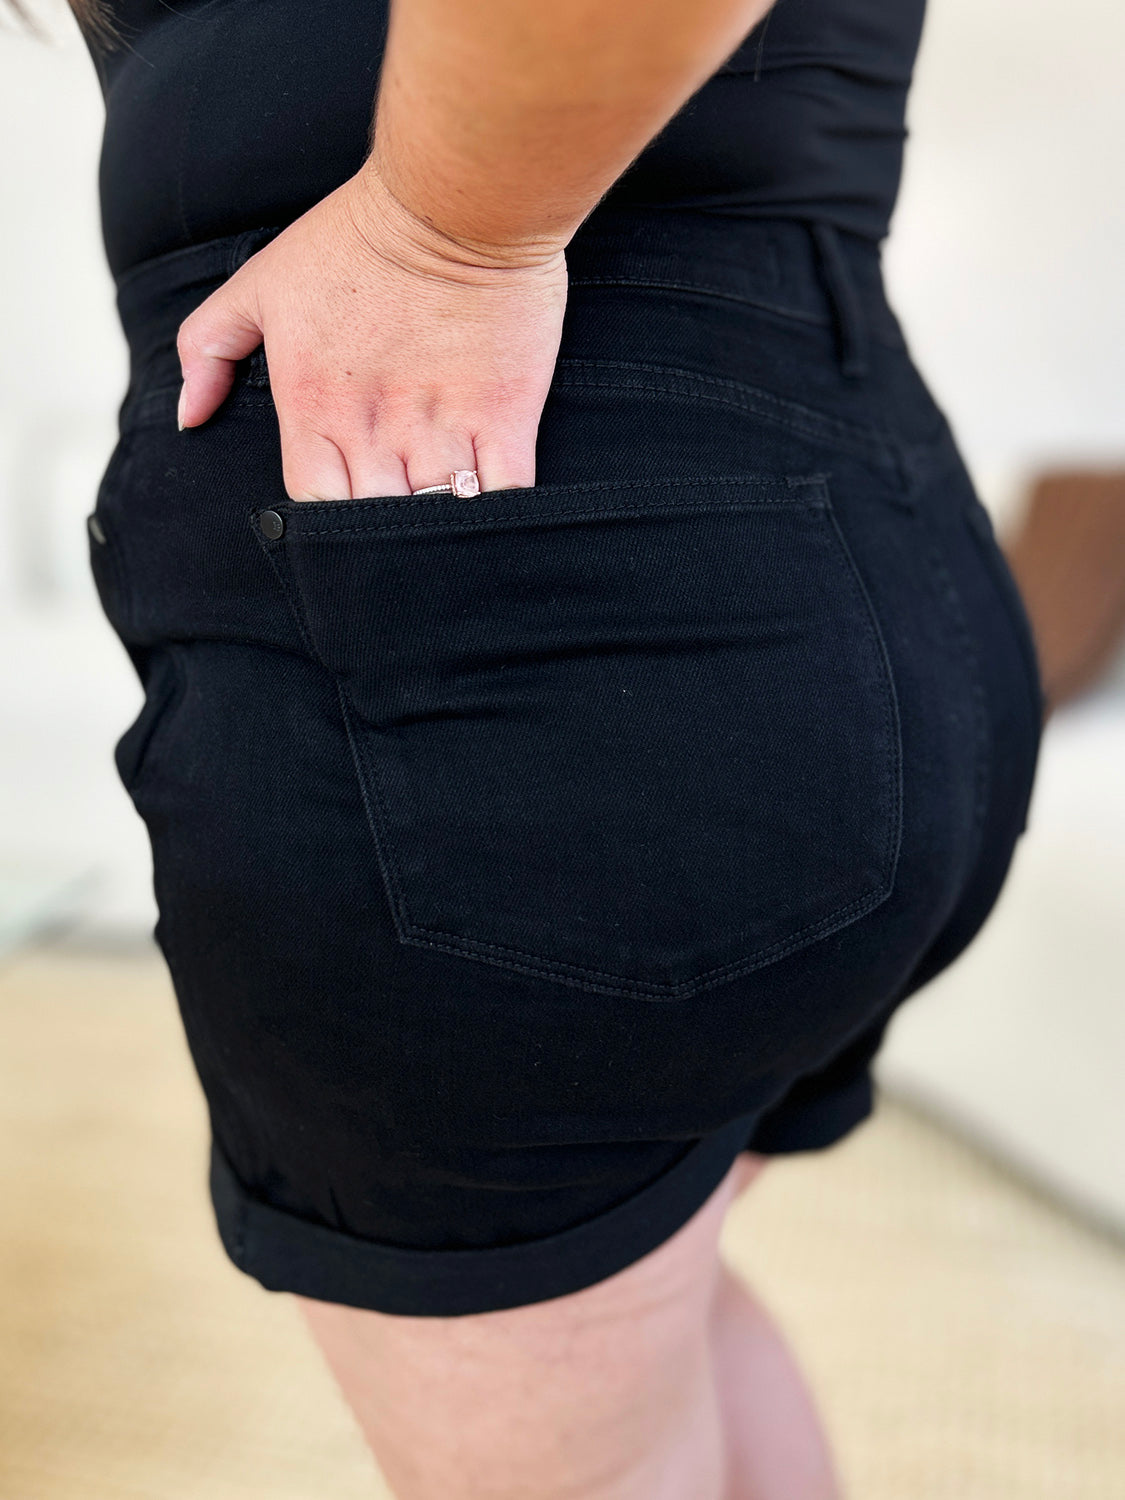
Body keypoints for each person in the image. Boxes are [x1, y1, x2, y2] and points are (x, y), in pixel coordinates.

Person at [54, 0, 1042, 1492]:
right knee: (659, 1300)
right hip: (854, 585)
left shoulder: (458, 253)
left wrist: (439, 238)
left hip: (528, 656)